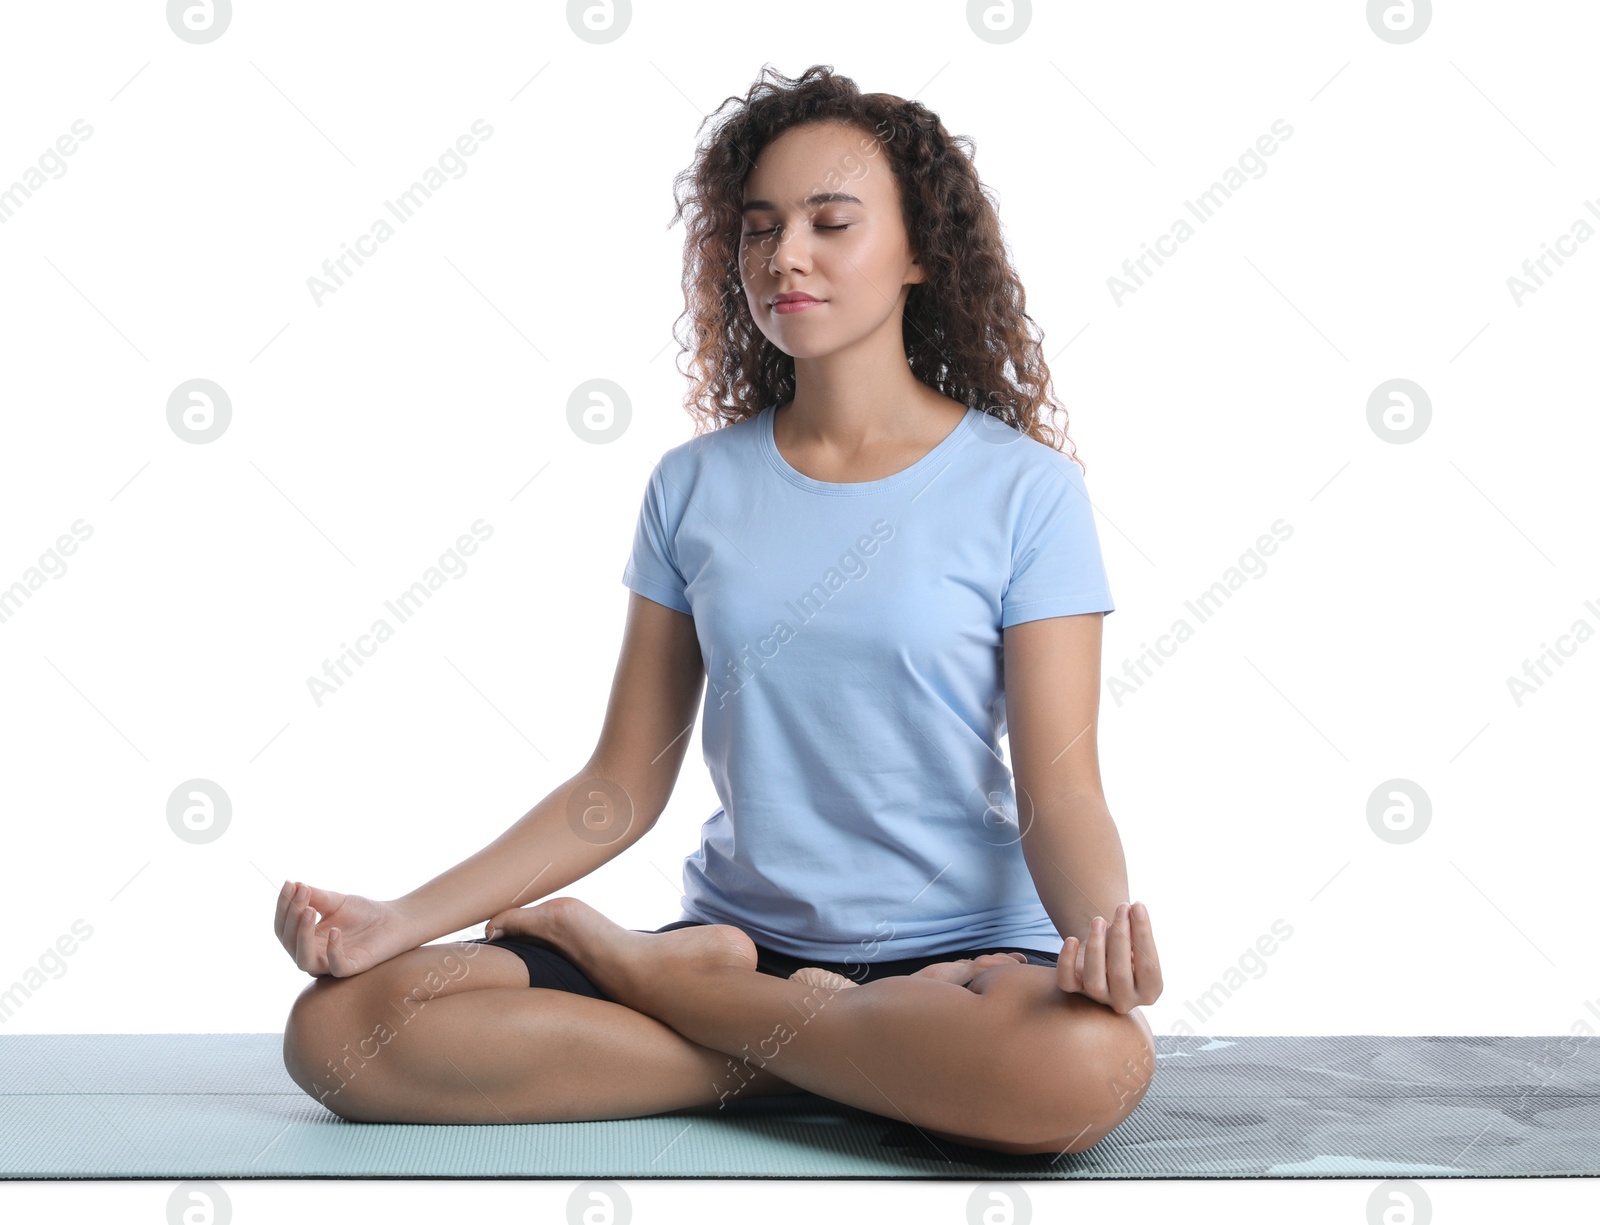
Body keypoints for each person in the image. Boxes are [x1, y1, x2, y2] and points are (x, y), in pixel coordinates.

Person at [277, 64, 1163, 1157]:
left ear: (921, 252)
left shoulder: (1025, 491)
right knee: (343, 1032)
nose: (784, 255)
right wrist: (400, 919)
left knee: (1088, 1067)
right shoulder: (692, 486)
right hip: (750, 942)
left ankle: (669, 988)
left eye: (830, 222)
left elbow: (1060, 793)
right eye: (759, 230)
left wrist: (1099, 937)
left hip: (960, 965)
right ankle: (862, 1068)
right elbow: (618, 786)